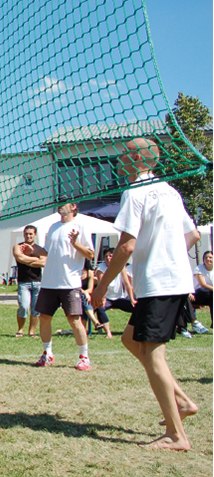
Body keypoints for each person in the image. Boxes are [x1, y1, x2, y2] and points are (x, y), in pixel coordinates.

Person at [91, 137, 200, 450]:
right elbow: (191, 235)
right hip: (170, 281)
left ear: (136, 157)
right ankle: (183, 403)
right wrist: (170, 258)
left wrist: (100, 287)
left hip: (160, 284)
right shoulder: (169, 190)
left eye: (124, 153)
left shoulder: (135, 191)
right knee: (129, 339)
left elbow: (126, 245)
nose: (119, 158)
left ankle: (177, 436)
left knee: (153, 354)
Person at [19, 202, 95, 371]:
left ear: (73, 206)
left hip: (70, 283)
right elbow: (47, 251)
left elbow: (90, 254)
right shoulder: (53, 227)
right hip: (49, 283)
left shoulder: (81, 225)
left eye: (64, 203)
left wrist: (76, 244)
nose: (60, 205)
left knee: (75, 320)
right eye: (59, 202)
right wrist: (33, 250)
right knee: (44, 318)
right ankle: (47, 354)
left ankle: (84, 357)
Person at [94, 249, 136, 338]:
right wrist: (103, 298)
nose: (108, 258)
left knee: (138, 307)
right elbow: (102, 285)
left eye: (110, 256)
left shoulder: (121, 266)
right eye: (106, 256)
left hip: (120, 297)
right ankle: (108, 333)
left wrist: (132, 299)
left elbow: (127, 284)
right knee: (100, 308)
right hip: (107, 297)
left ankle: (136, 330)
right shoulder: (101, 267)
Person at [12, 225, 43, 338]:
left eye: (31, 234)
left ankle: (32, 332)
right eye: (26, 234)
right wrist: (36, 259)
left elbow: (44, 262)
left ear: (35, 235)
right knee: (24, 306)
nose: (29, 236)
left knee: (36, 309)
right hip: (24, 282)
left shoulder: (39, 249)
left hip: (37, 282)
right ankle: (20, 330)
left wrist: (29, 260)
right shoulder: (18, 247)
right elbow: (21, 259)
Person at [193, 250, 213, 328]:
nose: (208, 259)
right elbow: (203, 284)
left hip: (209, 295)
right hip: (197, 294)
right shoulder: (199, 268)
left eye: (210, 257)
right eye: (206, 258)